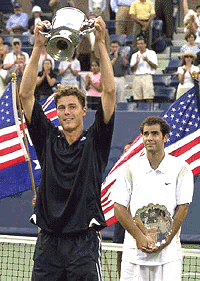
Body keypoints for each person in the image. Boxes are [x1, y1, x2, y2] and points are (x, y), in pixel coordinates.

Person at [19, 16, 115, 280]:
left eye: (72, 107)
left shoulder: (96, 141)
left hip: (83, 244)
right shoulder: (47, 138)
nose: (66, 112)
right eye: (61, 108)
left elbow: (108, 92)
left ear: (84, 111)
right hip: (48, 243)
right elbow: (26, 96)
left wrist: (102, 44)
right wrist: (38, 47)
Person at [110, 116, 194, 281]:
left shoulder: (181, 168)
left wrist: (164, 240)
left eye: (155, 133)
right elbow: (119, 208)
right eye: (146, 134)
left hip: (168, 258)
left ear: (165, 137)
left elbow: (182, 208)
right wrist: (140, 237)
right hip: (134, 256)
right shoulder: (129, 168)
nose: (149, 138)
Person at [113, 141, 132, 279]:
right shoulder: (118, 173)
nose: (127, 153)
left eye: (130, 150)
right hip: (121, 220)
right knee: (120, 251)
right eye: (125, 151)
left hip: (138, 220)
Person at [130, 36, 157, 103]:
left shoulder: (151, 53)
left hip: (147, 76)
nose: (140, 45)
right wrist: (137, 62)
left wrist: (147, 60)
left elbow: (155, 66)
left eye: (141, 43)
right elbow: (132, 69)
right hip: (137, 76)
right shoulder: (134, 55)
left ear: (145, 44)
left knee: (149, 97)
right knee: (137, 97)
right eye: (138, 44)